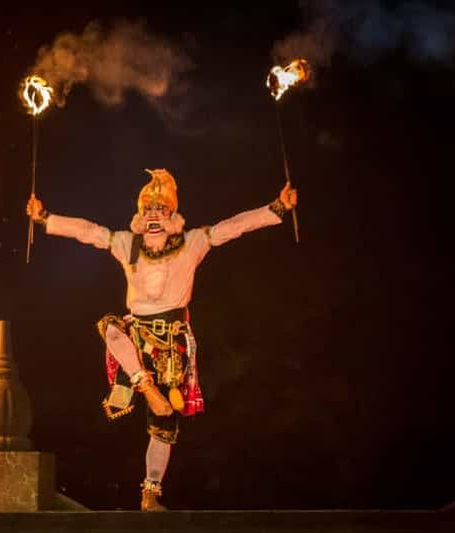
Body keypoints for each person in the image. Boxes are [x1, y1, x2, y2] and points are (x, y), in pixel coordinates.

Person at [26, 168, 297, 511]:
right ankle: (145, 387)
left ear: (173, 216)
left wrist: (276, 208)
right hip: (135, 337)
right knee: (110, 327)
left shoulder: (194, 242)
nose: (154, 217)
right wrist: (46, 218)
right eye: (148, 211)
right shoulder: (126, 243)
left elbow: (232, 227)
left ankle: (150, 492)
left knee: (164, 423)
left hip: (172, 343)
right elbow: (88, 232)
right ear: (139, 216)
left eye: (161, 211)